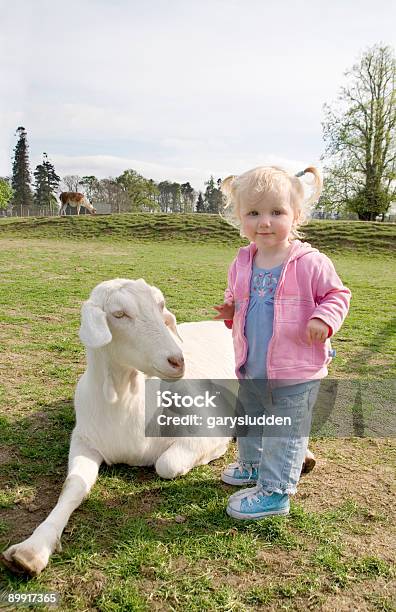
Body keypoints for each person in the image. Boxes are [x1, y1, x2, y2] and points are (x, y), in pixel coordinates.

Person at [214, 166, 351, 520]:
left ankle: (275, 493)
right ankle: (253, 465)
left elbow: (337, 294)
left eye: (277, 212)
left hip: (295, 369)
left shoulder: (310, 263)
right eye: (254, 213)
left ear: (296, 215)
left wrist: (323, 318)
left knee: (283, 431)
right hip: (253, 363)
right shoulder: (243, 260)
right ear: (239, 217)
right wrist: (231, 308)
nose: (265, 222)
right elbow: (236, 295)